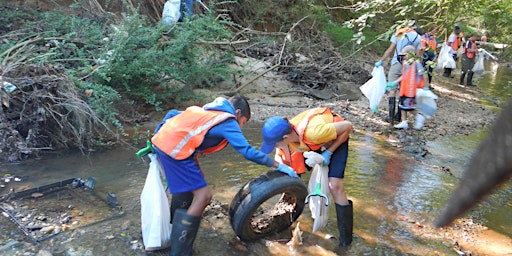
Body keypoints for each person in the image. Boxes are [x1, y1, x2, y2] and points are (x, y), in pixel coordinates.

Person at [151, 94, 298, 256]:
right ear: (237, 113)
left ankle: (172, 234)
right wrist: (278, 165)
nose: (240, 127)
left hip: (164, 144)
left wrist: (157, 136)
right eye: (243, 122)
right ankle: (180, 252)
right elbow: (247, 151)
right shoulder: (228, 121)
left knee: (186, 192)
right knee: (204, 196)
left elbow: (172, 114)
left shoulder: (207, 111)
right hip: (176, 152)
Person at [260, 108, 354, 246]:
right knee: (291, 176)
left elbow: (348, 126)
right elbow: (279, 155)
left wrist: (328, 153)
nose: (274, 147)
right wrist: (284, 168)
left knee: (334, 185)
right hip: (311, 144)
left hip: (335, 138)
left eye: (274, 144)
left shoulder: (314, 132)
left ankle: (346, 241)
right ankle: (285, 218)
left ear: (285, 139)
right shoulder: (285, 135)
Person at [375, 24, 422, 124]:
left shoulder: (398, 34)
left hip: (396, 63)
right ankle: (399, 117)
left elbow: (390, 49)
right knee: (403, 91)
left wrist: (381, 61)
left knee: (392, 90)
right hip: (409, 66)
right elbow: (418, 55)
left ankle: (391, 117)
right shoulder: (418, 37)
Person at [386, 45, 428, 130]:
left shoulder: (417, 63)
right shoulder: (406, 64)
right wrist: (395, 82)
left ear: (410, 54)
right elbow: (404, 75)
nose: (403, 57)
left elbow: (424, 75)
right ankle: (404, 121)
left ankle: (419, 116)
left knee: (408, 107)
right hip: (404, 89)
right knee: (402, 105)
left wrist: (426, 87)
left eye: (404, 55)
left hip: (412, 90)